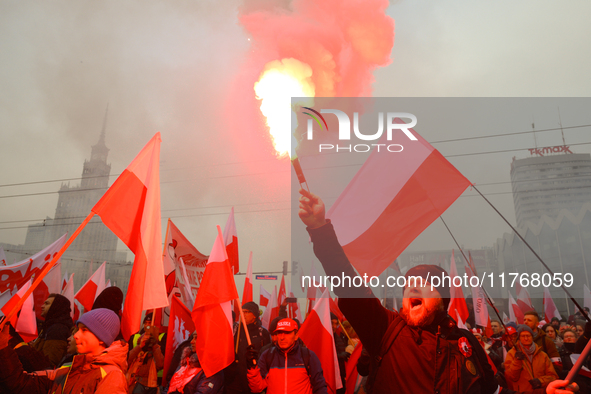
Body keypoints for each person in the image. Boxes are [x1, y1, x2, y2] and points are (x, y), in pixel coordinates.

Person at [298, 189, 502, 394]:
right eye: (408, 287)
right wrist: (319, 228)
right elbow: (348, 283)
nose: (412, 289)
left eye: (424, 284)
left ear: (442, 297)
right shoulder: (386, 330)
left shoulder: (467, 343)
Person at [0, 308, 128, 394]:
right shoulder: (69, 369)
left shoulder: (111, 376)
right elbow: (21, 383)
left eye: (84, 330)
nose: (76, 335)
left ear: (102, 338)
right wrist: (3, 347)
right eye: (78, 329)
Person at [246, 318, 327, 394]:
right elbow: (257, 388)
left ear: (296, 336)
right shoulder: (267, 355)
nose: (282, 337)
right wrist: (252, 368)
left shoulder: (308, 355)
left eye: (287, 333)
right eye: (279, 333)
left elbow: (319, 386)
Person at [224, 301, 271, 394]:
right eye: (242, 311)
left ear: (254, 315)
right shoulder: (235, 330)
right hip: (234, 377)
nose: (243, 314)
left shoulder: (262, 333)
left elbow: (267, 355)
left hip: (253, 378)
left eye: (246, 312)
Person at [504, 325, 558, 392]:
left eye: (528, 336)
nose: (526, 338)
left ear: (532, 337)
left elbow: (553, 377)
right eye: (523, 336)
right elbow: (512, 377)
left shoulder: (543, 355)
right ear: (519, 338)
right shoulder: (511, 353)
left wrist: (541, 381)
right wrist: (517, 361)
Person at [29, 293, 73, 367]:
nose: (42, 306)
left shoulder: (57, 329)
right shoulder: (49, 326)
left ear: (56, 307)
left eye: (47, 304)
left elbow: (50, 361)